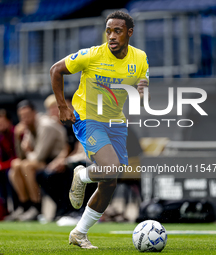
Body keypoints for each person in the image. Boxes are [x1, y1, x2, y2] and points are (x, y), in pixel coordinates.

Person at [50, 10, 149, 248]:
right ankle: (82, 175)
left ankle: (79, 233)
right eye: (108, 31)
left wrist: (143, 89)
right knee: (110, 167)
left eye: (117, 31)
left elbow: (142, 77)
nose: (112, 36)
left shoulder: (140, 57)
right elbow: (56, 70)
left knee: (110, 181)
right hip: (87, 118)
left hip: (115, 121)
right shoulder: (92, 55)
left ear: (129, 33)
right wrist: (63, 106)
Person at [8, 100, 67, 221]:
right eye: (22, 116)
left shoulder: (45, 126)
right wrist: (17, 137)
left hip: (56, 160)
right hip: (42, 160)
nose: (25, 118)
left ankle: (36, 207)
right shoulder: (29, 127)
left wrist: (28, 151)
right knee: (15, 166)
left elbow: (40, 156)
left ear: (34, 113)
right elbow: (21, 156)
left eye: (27, 115)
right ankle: (25, 205)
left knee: (26, 167)